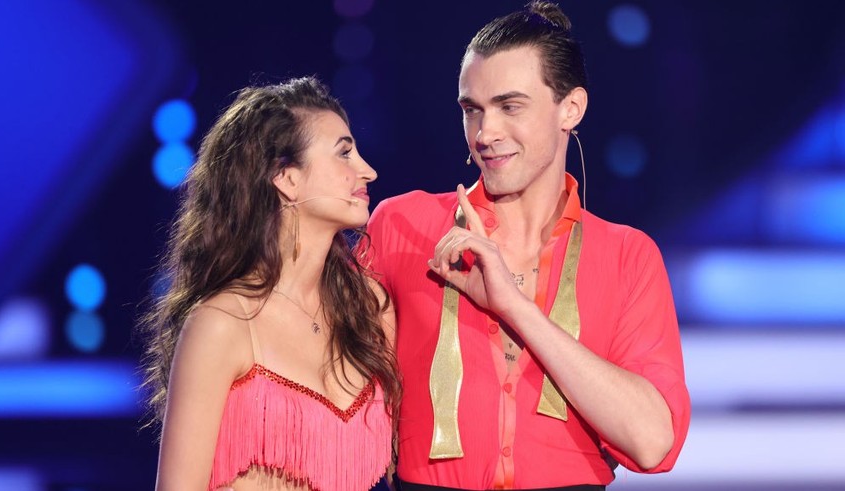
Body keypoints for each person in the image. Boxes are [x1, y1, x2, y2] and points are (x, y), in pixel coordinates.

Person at [360, 2, 690, 489]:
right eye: (472, 110)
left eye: (510, 106)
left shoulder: (626, 255)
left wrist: (515, 308)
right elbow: (333, 385)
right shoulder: (403, 226)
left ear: (570, 108)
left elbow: (652, 441)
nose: (485, 134)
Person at [140, 76, 400, 491]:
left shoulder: (371, 309)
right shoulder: (221, 322)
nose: (366, 170)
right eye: (344, 154)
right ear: (287, 178)